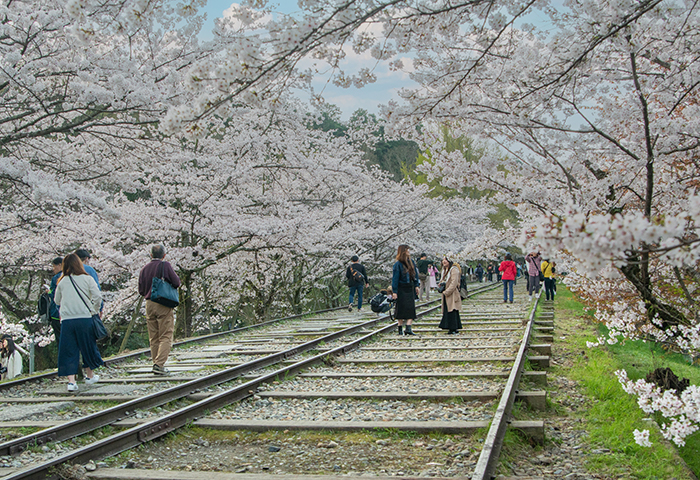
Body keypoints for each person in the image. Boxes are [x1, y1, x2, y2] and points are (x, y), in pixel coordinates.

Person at [54, 253, 103, 392]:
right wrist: (94, 309)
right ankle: (89, 376)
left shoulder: (62, 281)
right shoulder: (87, 279)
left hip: (67, 320)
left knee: (69, 349)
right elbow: (98, 296)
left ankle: (71, 381)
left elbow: (56, 300)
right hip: (85, 318)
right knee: (87, 346)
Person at [138, 245, 181, 375]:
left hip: (149, 303)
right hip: (162, 303)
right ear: (164, 255)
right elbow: (176, 282)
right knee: (166, 335)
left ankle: (155, 361)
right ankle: (159, 364)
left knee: (153, 336)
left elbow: (141, 290)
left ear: (151, 255)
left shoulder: (144, 269)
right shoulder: (165, 265)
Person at [391, 245, 420, 335]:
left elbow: (415, 275)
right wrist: (394, 291)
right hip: (401, 288)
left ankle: (408, 328)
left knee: (410, 308)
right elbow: (395, 279)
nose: (409, 252)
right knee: (400, 308)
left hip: (410, 287)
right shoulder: (398, 264)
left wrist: (416, 285)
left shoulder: (412, 262)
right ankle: (400, 328)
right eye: (407, 250)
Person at [438, 257, 462, 334]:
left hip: (452, 293)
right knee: (447, 309)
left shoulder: (454, 269)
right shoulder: (444, 271)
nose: (444, 261)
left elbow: (454, 282)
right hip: (446, 293)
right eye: (443, 260)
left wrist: (447, 291)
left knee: (452, 309)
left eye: (446, 260)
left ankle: (453, 328)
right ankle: (449, 327)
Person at [47, 257, 63, 341]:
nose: (53, 269)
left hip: (56, 313)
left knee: (59, 338)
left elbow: (54, 294)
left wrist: (48, 292)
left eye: (54, 266)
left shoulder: (56, 278)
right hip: (69, 314)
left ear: (60, 265)